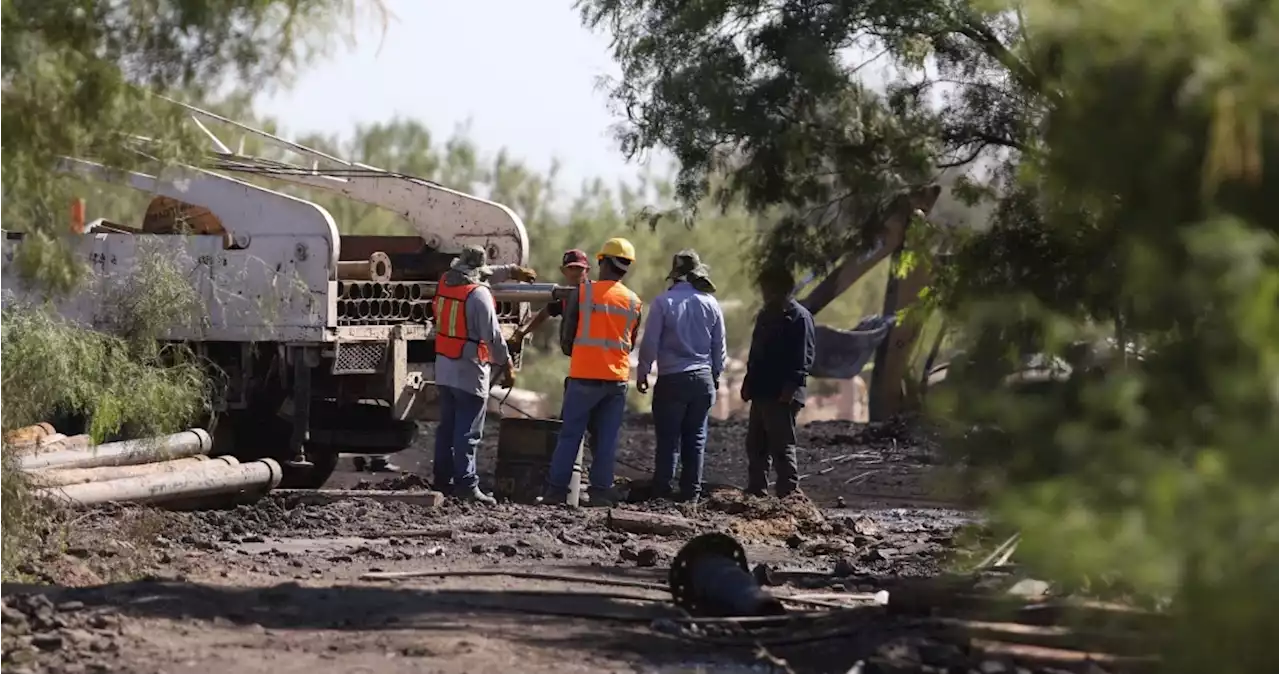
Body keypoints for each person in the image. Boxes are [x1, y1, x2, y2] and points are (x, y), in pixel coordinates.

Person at [539, 237, 643, 507]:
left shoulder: (583, 293)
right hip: (617, 380)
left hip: (584, 377)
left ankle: (556, 493)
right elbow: (630, 342)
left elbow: (566, 338)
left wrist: (582, 354)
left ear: (602, 262)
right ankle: (599, 493)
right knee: (606, 440)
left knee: (571, 435)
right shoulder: (634, 301)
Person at [432, 245, 536, 505]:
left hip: (444, 368)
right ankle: (467, 485)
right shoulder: (478, 295)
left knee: (447, 429)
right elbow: (493, 337)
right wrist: (508, 365)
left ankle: (442, 482)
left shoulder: (446, 281)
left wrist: (511, 271)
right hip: (469, 371)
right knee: (468, 432)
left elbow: (485, 274)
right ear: (477, 272)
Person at [634, 250, 726, 502]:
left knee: (668, 440)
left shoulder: (664, 303)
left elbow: (650, 343)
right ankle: (691, 496)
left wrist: (643, 372)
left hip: (672, 379)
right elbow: (719, 347)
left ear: (675, 275)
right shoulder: (711, 303)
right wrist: (715, 375)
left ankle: (662, 494)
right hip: (703, 379)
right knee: (696, 438)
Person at [510, 249, 602, 459]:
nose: (575, 273)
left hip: (598, 367)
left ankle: (582, 474)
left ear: (587, 270)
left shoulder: (595, 294)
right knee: (574, 423)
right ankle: (576, 471)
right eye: (571, 269)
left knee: (590, 425)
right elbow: (546, 313)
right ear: (563, 271)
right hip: (580, 366)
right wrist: (523, 332)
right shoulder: (566, 297)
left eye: (579, 269)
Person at [741, 266, 815, 498]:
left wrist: (790, 388)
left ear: (781, 289)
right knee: (756, 444)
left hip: (782, 393)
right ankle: (756, 492)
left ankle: (789, 494)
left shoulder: (799, 317)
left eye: (768, 289)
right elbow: (756, 353)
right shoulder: (765, 315)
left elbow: (804, 357)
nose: (765, 293)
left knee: (782, 445)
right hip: (762, 390)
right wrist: (748, 381)